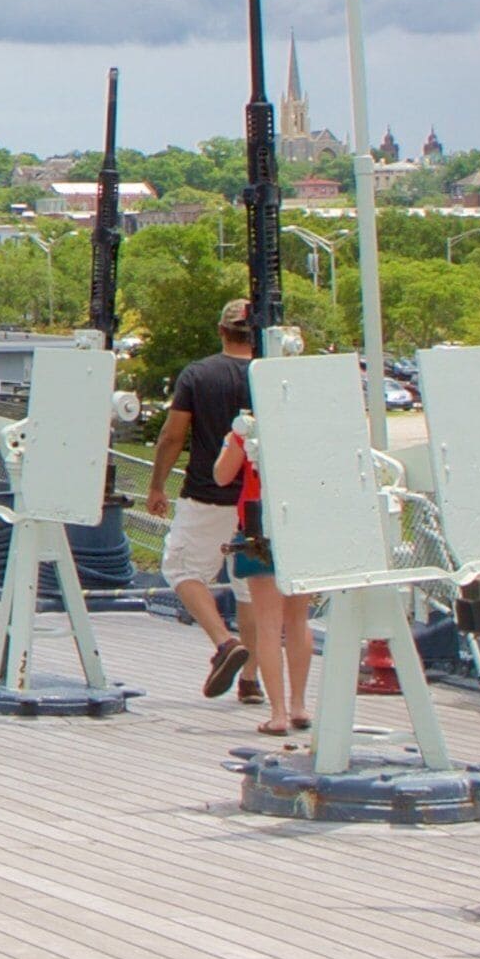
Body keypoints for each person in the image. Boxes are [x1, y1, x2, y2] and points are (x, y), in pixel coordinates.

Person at [145, 300, 261, 707]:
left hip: (208, 495)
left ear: (221, 330)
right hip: (259, 501)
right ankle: (251, 680)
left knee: (181, 569)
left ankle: (224, 643)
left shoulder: (198, 375)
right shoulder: (272, 373)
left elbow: (174, 435)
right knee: (252, 589)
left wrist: (157, 485)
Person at [216, 407, 316, 736]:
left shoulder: (248, 428)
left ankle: (278, 714)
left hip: (259, 526)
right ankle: (299, 704)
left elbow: (222, 475)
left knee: (269, 624)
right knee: (298, 620)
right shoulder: (304, 424)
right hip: (300, 524)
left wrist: (233, 440)